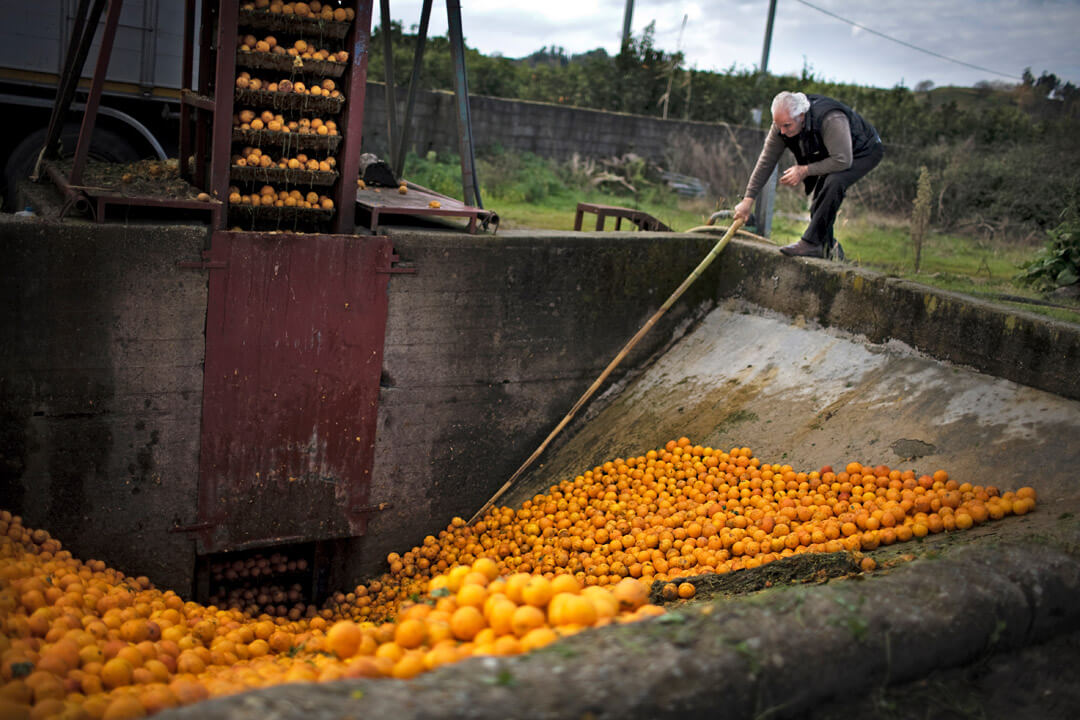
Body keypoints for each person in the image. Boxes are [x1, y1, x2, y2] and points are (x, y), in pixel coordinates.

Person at [733, 91, 883, 260]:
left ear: (802, 116)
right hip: (836, 152)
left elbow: (842, 160)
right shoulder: (783, 124)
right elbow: (766, 161)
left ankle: (811, 244)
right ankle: (829, 250)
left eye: (787, 126)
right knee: (819, 200)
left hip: (864, 150)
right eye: (778, 125)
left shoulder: (830, 119)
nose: (782, 131)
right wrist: (748, 200)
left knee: (834, 182)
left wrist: (804, 170)